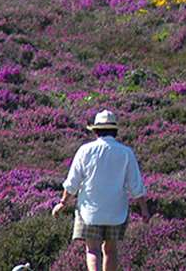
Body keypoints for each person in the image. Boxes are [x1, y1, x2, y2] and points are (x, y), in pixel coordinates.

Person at [52, 109, 150, 271]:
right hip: (116, 212)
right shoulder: (126, 152)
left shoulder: (85, 150)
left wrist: (62, 203)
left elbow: (72, 182)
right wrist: (144, 210)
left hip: (89, 211)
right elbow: (136, 186)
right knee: (111, 251)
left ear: (96, 130)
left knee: (93, 250)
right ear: (115, 130)